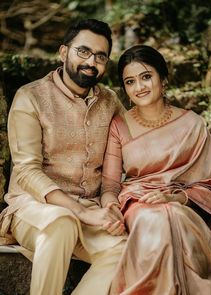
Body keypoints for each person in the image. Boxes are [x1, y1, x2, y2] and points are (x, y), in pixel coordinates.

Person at [0, 19, 127, 295]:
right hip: (33, 208)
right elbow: (26, 171)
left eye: (100, 56)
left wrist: (111, 201)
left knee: (123, 249)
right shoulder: (30, 97)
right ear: (63, 52)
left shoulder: (111, 103)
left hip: (90, 210)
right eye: (83, 51)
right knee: (62, 221)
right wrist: (78, 210)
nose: (91, 62)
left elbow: (121, 160)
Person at [101, 45, 211, 294]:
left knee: (174, 216)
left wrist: (176, 197)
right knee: (157, 218)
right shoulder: (119, 126)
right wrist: (110, 208)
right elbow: (110, 185)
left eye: (146, 77)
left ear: (163, 79)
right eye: (130, 81)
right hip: (138, 202)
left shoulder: (192, 123)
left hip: (183, 203)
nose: (139, 87)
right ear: (126, 89)